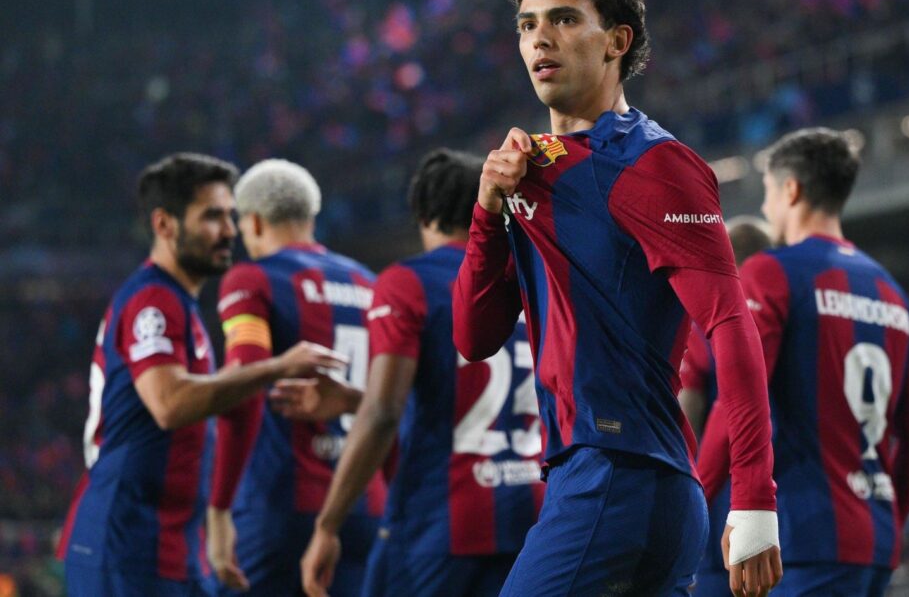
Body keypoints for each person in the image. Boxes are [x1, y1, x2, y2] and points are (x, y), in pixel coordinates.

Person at [451, 0, 781, 597]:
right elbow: (473, 335)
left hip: (615, 474)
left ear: (616, 41)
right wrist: (488, 211)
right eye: (528, 25)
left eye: (565, 19)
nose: (540, 39)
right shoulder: (528, 170)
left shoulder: (657, 164)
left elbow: (730, 324)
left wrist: (755, 497)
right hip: (618, 482)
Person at [57, 153, 345, 597]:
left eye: (231, 215)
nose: (230, 230)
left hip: (169, 544)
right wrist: (278, 367)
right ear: (165, 224)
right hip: (123, 544)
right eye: (213, 216)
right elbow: (169, 403)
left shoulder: (181, 306)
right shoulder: (153, 300)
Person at [293, 149, 544, 597]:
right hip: (531, 511)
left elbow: (383, 414)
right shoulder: (527, 280)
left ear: (423, 212)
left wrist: (328, 526)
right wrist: (355, 398)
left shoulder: (408, 282)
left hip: (439, 522)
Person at [697, 128, 909, 596]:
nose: (766, 210)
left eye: (768, 193)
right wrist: (886, 523)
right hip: (873, 545)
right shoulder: (896, 296)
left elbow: (740, 397)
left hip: (803, 538)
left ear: (791, 189)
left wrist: (694, 496)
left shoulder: (772, 272)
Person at [202, 159, 385, 597]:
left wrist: (220, 506)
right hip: (364, 507)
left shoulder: (252, 278)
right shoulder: (372, 284)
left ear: (255, 222)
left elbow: (243, 388)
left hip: (281, 506)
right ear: (310, 216)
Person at [682, 217, 772, 597]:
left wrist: (689, 499)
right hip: (794, 513)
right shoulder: (796, 315)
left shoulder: (711, 321)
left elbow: (686, 413)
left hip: (725, 516)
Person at [679, 216, 774, 439]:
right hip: (795, 463)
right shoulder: (790, 317)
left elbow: (687, 414)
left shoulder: (702, 327)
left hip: (730, 464)